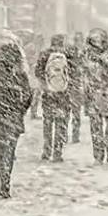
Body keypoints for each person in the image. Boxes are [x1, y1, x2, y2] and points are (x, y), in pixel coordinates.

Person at [0, 38, 33, 197]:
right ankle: (6, 179)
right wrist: (20, 110)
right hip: (13, 117)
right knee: (10, 150)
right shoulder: (20, 75)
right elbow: (28, 96)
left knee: (0, 151)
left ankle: (3, 178)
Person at [82, 28, 108, 164]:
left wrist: (103, 62)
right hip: (93, 95)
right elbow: (82, 73)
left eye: (97, 40)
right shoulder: (86, 54)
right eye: (92, 41)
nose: (94, 44)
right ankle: (98, 154)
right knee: (95, 128)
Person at [36, 34, 76, 162]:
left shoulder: (45, 54)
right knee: (61, 122)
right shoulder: (68, 55)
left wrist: (46, 85)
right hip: (63, 94)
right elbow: (74, 74)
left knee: (48, 122)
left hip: (49, 94)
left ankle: (47, 151)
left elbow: (38, 72)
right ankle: (58, 152)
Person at [67, 32, 87, 143]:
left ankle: (74, 134)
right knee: (73, 112)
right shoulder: (78, 53)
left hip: (73, 86)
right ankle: (72, 134)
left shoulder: (81, 52)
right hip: (73, 86)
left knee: (74, 112)